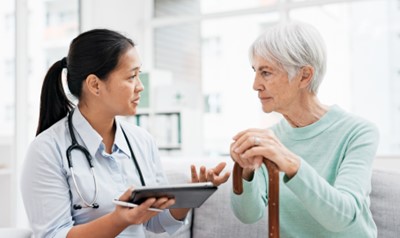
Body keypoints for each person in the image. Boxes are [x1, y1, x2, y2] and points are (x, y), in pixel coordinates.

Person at [21, 29, 230, 238]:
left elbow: (156, 222)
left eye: (139, 75)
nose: (140, 87)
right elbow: (53, 235)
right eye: (131, 77)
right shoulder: (47, 150)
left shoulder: (142, 141)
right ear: (95, 84)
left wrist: (189, 196)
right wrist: (118, 220)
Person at [230, 21, 379, 237]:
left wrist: (291, 163)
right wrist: (245, 171)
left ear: (304, 76)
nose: (255, 85)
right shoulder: (271, 141)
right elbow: (248, 216)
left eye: (266, 73)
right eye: (255, 71)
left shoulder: (358, 132)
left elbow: (343, 217)